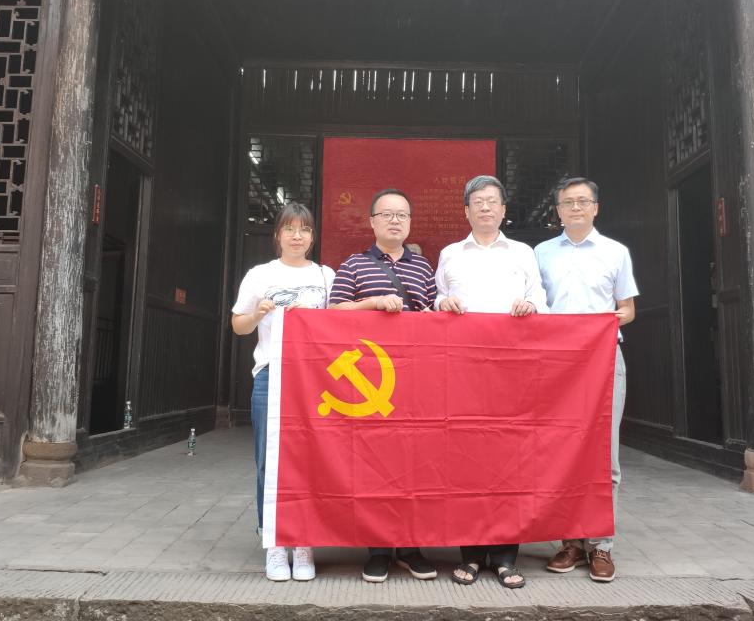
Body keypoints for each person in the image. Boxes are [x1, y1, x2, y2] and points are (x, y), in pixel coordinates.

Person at [436, 174, 547, 590]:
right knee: (466, 460)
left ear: (503, 210)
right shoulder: (450, 254)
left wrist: (530, 304)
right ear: (466, 211)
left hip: (511, 371)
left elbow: (541, 298)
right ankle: (470, 554)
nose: (485, 207)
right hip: (462, 371)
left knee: (509, 460)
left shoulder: (523, 252)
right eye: (477, 201)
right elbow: (436, 299)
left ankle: (504, 556)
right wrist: (442, 302)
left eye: (492, 201)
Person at [328, 188, 438, 583]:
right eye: (387, 214)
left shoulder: (424, 268)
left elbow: (433, 316)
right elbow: (332, 312)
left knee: (415, 464)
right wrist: (372, 303)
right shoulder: (354, 265)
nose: (395, 221)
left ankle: (409, 547)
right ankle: (377, 549)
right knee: (373, 464)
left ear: (410, 223)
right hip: (370, 384)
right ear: (372, 221)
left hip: (415, 383)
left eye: (402, 215)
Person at [534, 177, 638, 583]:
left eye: (583, 201)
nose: (575, 208)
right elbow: (535, 303)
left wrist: (600, 323)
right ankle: (570, 542)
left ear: (596, 207)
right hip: (556, 364)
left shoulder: (616, 252)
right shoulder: (541, 253)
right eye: (568, 202)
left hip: (602, 359)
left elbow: (627, 309)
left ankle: (600, 545)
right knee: (562, 452)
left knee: (604, 454)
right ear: (557, 210)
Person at [231, 202, 335, 582]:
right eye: (289, 229)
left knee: (310, 459)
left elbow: (338, 325)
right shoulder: (260, 275)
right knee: (268, 460)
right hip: (271, 374)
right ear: (277, 235)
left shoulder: (326, 275)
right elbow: (239, 326)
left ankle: (303, 542)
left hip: (314, 380)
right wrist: (258, 313)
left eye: (304, 229)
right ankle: (275, 543)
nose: (296, 236)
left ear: (312, 236)